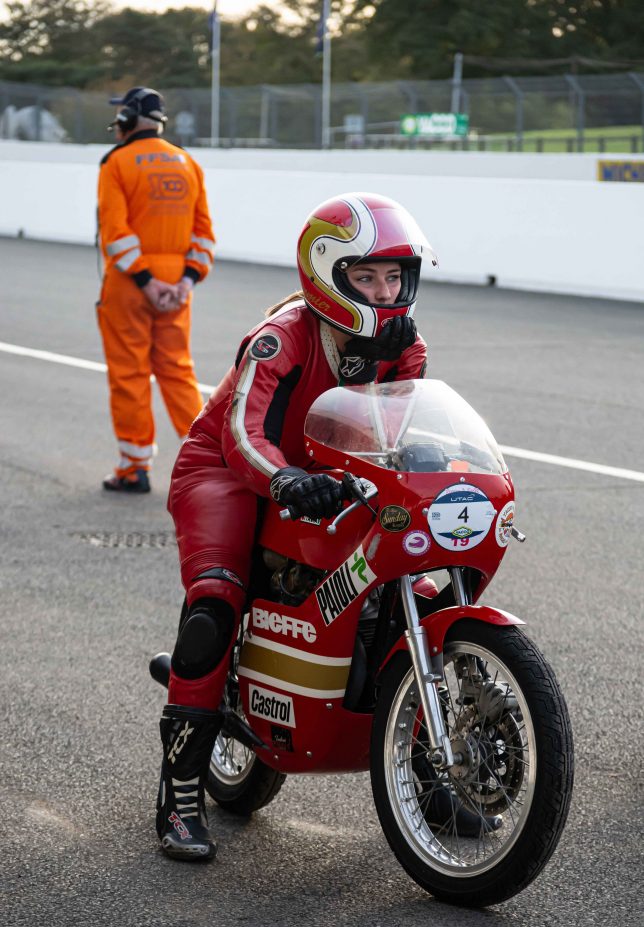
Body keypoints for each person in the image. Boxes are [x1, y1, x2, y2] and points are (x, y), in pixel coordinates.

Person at [154, 191, 438, 861]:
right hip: (226, 470)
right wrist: (283, 481)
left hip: (323, 476)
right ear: (327, 274)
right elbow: (240, 434)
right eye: (366, 276)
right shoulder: (282, 335)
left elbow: (404, 434)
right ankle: (180, 792)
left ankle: (431, 777)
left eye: (395, 276)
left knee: (403, 595)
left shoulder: (406, 346)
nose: (385, 290)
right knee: (216, 603)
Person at [96, 86, 215, 494]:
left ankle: (134, 467)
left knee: (130, 373)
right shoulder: (188, 163)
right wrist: (185, 281)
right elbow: (204, 235)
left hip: (132, 284)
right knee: (177, 371)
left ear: (128, 119)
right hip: (177, 286)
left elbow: (115, 233)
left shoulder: (116, 162)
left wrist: (146, 281)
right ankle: (212, 461)